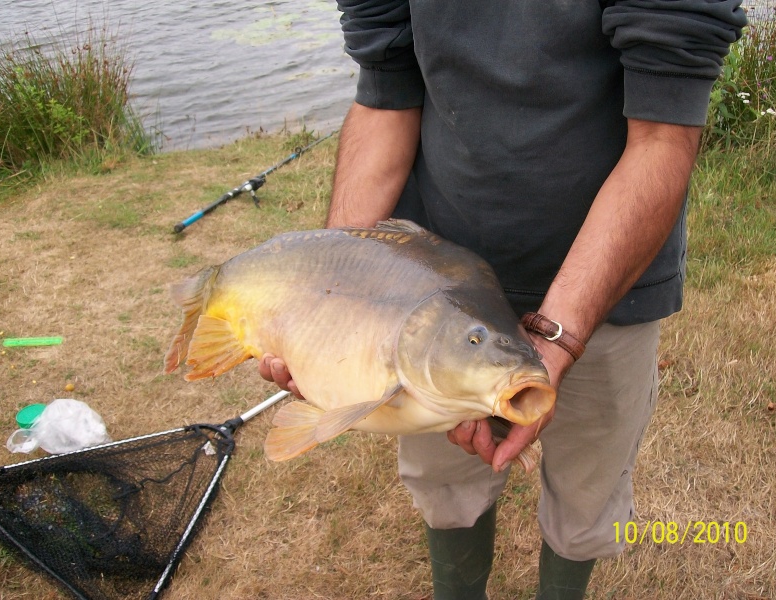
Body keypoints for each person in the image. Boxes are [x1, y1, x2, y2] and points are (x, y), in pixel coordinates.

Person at [260, 2, 747, 598]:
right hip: (425, 292)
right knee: (445, 486)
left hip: (613, 282)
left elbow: (663, 137)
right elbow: (387, 93)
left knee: (587, 497)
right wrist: (333, 297)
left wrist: (557, 337)